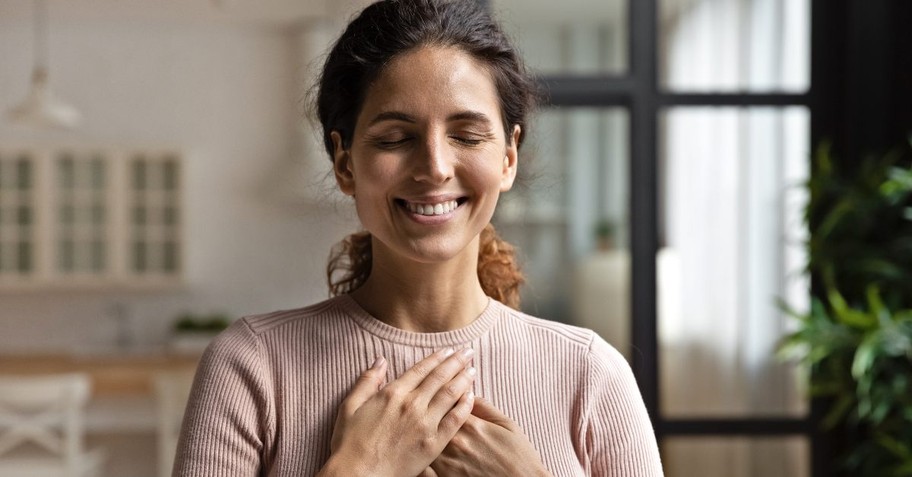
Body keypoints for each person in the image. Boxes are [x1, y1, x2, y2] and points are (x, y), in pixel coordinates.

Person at [172, 0, 664, 475]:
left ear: (509, 157)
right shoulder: (251, 368)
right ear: (345, 163)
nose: (434, 166)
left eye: (467, 136)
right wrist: (358, 471)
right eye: (394, 138)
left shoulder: (590, 374)